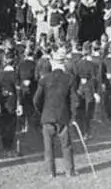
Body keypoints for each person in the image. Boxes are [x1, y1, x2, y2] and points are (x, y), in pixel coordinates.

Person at [33, 49, 78, 178]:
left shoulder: (45, 79)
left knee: (48, 147)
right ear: (63, 64)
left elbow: (36, 100)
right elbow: (74, 100)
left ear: (52, 63)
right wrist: (72, 115)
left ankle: (50, 172)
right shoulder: (69, 79)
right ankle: (69, 171)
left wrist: (42, 111)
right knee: (66, 145)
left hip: (47, 116)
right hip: (63, 116)